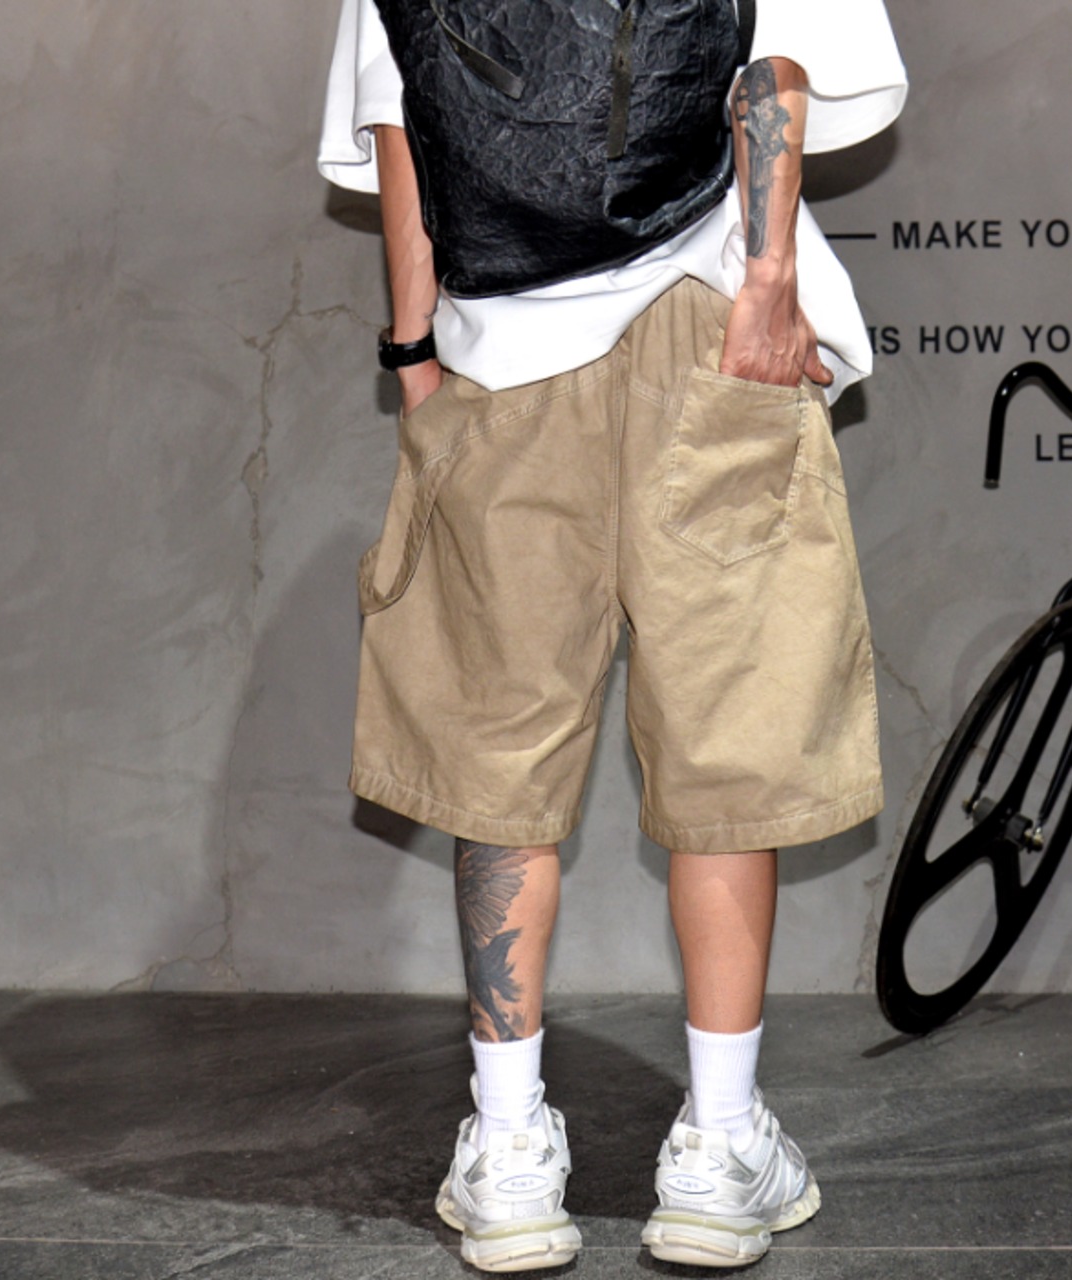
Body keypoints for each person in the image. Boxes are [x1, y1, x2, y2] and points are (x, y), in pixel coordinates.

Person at [319, 0, 906, 1270]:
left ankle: (510, 1153)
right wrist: (768, 283)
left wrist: (416, 354)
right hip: (710, 324)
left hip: (501, 354)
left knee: (500, 747)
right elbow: (776, 68)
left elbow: (401, 125)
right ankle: (718, 1149)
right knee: (727, 728)